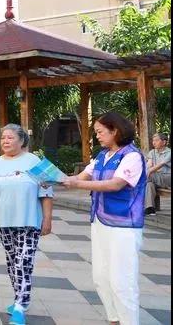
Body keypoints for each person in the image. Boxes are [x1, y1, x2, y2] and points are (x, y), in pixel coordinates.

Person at [64, 112, 146, 325]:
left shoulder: (132, 156)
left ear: (115, 130)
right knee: (101, 277)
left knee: (122, 281)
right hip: (100, 222)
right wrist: (54, 178)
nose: (97, 136)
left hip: (124, 226)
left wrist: (77, 184)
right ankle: (114, 319)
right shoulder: (102, 155)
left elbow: (116, 184)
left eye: (100, 132)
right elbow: (80, 177)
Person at [0, 124, 53, 325]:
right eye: (2, 138)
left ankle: (20, 307)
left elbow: (47, 192)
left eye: (10, 137)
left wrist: (48, 219)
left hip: (29, 222)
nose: (5, 141)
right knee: (12, 263)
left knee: (23, 263)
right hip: (4, 222)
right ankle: (20, 299)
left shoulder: (35, 161)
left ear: (22, 140)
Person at [144, 132, 171, 216]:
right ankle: (150, 208)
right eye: (153, 140)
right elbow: (149, 165)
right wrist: (146, 170)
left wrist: (146, 173)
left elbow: (160, 165)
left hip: (168, 178)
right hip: (156, 178)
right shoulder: (152, 152)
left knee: (149, 176)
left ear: (164, 142)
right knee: (149, 184)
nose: (154, 142)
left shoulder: (169, 153)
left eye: (156, 140)